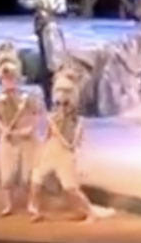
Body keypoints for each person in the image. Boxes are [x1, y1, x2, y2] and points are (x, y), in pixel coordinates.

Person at [28, 64, 114, 223]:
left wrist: (57, 129)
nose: (61, 107)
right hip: (50, 152)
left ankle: (91, 213)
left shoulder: (77, 122)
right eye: (58, 104)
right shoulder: (52, 118)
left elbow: (72, 144)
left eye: (65, 104)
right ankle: (35, 209)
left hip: (65, 156)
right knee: (36, 179)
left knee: (70, 189)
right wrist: (40, 153)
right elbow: (47, 137)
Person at [0, 42, 41, 216]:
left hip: (26, 138)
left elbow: (36, 114)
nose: (8, 82)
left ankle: (32, 204)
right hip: (9, 139)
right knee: (7, 176)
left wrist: (30, 128)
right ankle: (9, 205)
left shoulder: (27, 97)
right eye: (5, 79)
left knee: (28, 175)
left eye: (11, 78)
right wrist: (4, 130)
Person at [18, 0, 69, 109]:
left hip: (49, 32)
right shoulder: (43, 18)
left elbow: (54, 59)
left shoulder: (49, 24)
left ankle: (53, 100)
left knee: (50, 66)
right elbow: (25, 2)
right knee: (47, 66)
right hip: (46, 30)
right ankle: (50, 99)